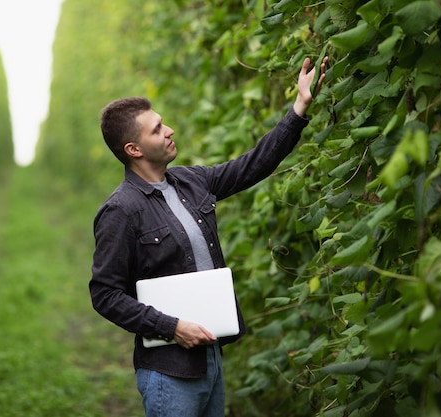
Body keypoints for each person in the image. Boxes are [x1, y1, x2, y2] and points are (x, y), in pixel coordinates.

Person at [89, 56, 328, 417]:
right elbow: (105, 294)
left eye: (163, 122)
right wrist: (172, 327)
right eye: (156, 130)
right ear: (133, 150)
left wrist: (299, 108)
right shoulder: (121, 210)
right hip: (169, 371)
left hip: (212, 359)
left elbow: (253, 164)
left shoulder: (190, 181)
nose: (169, 130)